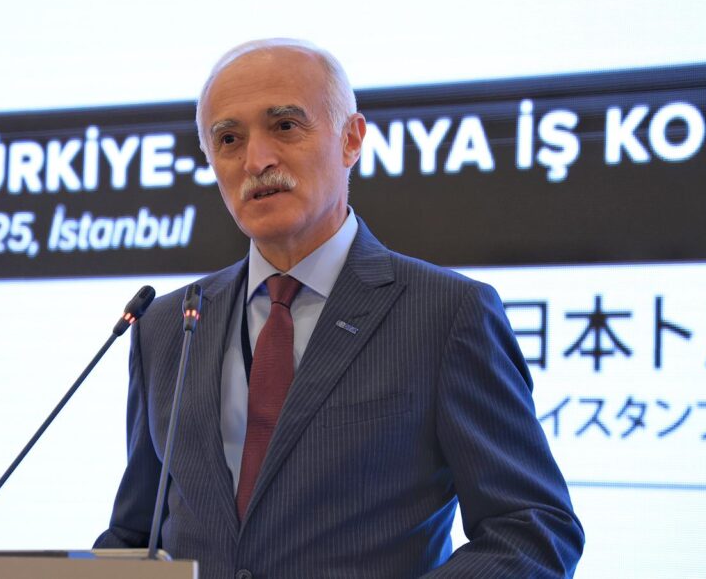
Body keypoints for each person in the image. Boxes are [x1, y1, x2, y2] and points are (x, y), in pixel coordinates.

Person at [95, 39, 584, 578]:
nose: (256, 160)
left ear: (351, 139)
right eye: (229, 139)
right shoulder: (167, 326)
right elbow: (135, 535)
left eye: (285, 126)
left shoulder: (446, 314)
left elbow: (531, 528)